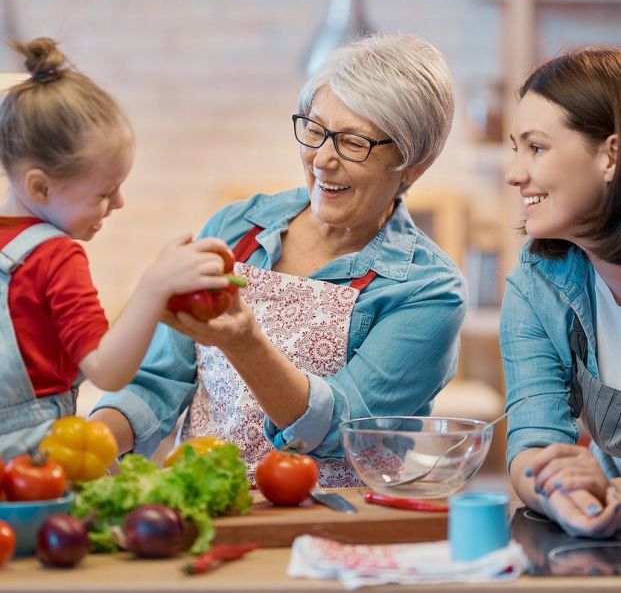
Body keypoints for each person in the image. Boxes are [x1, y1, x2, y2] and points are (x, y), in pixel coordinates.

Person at [91, 33, 466, 486]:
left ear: (413, 164)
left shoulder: (427, 288)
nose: (322, 160)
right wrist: (84, 445)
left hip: (338, 522)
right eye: (315, 129)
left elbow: (342, 429)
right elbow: (157, 382)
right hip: (211, 508)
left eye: (352, 142)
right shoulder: (235, 229)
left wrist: (245, 343)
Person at [0, 38, 230, 460]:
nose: (118, 204)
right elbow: (108, 371)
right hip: (29, 468)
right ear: (40, 186)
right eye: (105, 192)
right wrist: (153, 287)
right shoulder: (54, 257)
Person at [500, 47, 621, 537]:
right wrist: (558, 490)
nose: (514, 173)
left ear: (609, 155)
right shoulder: (536, 283)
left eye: (537, 147)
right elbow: (532, 438)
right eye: (515, 148)